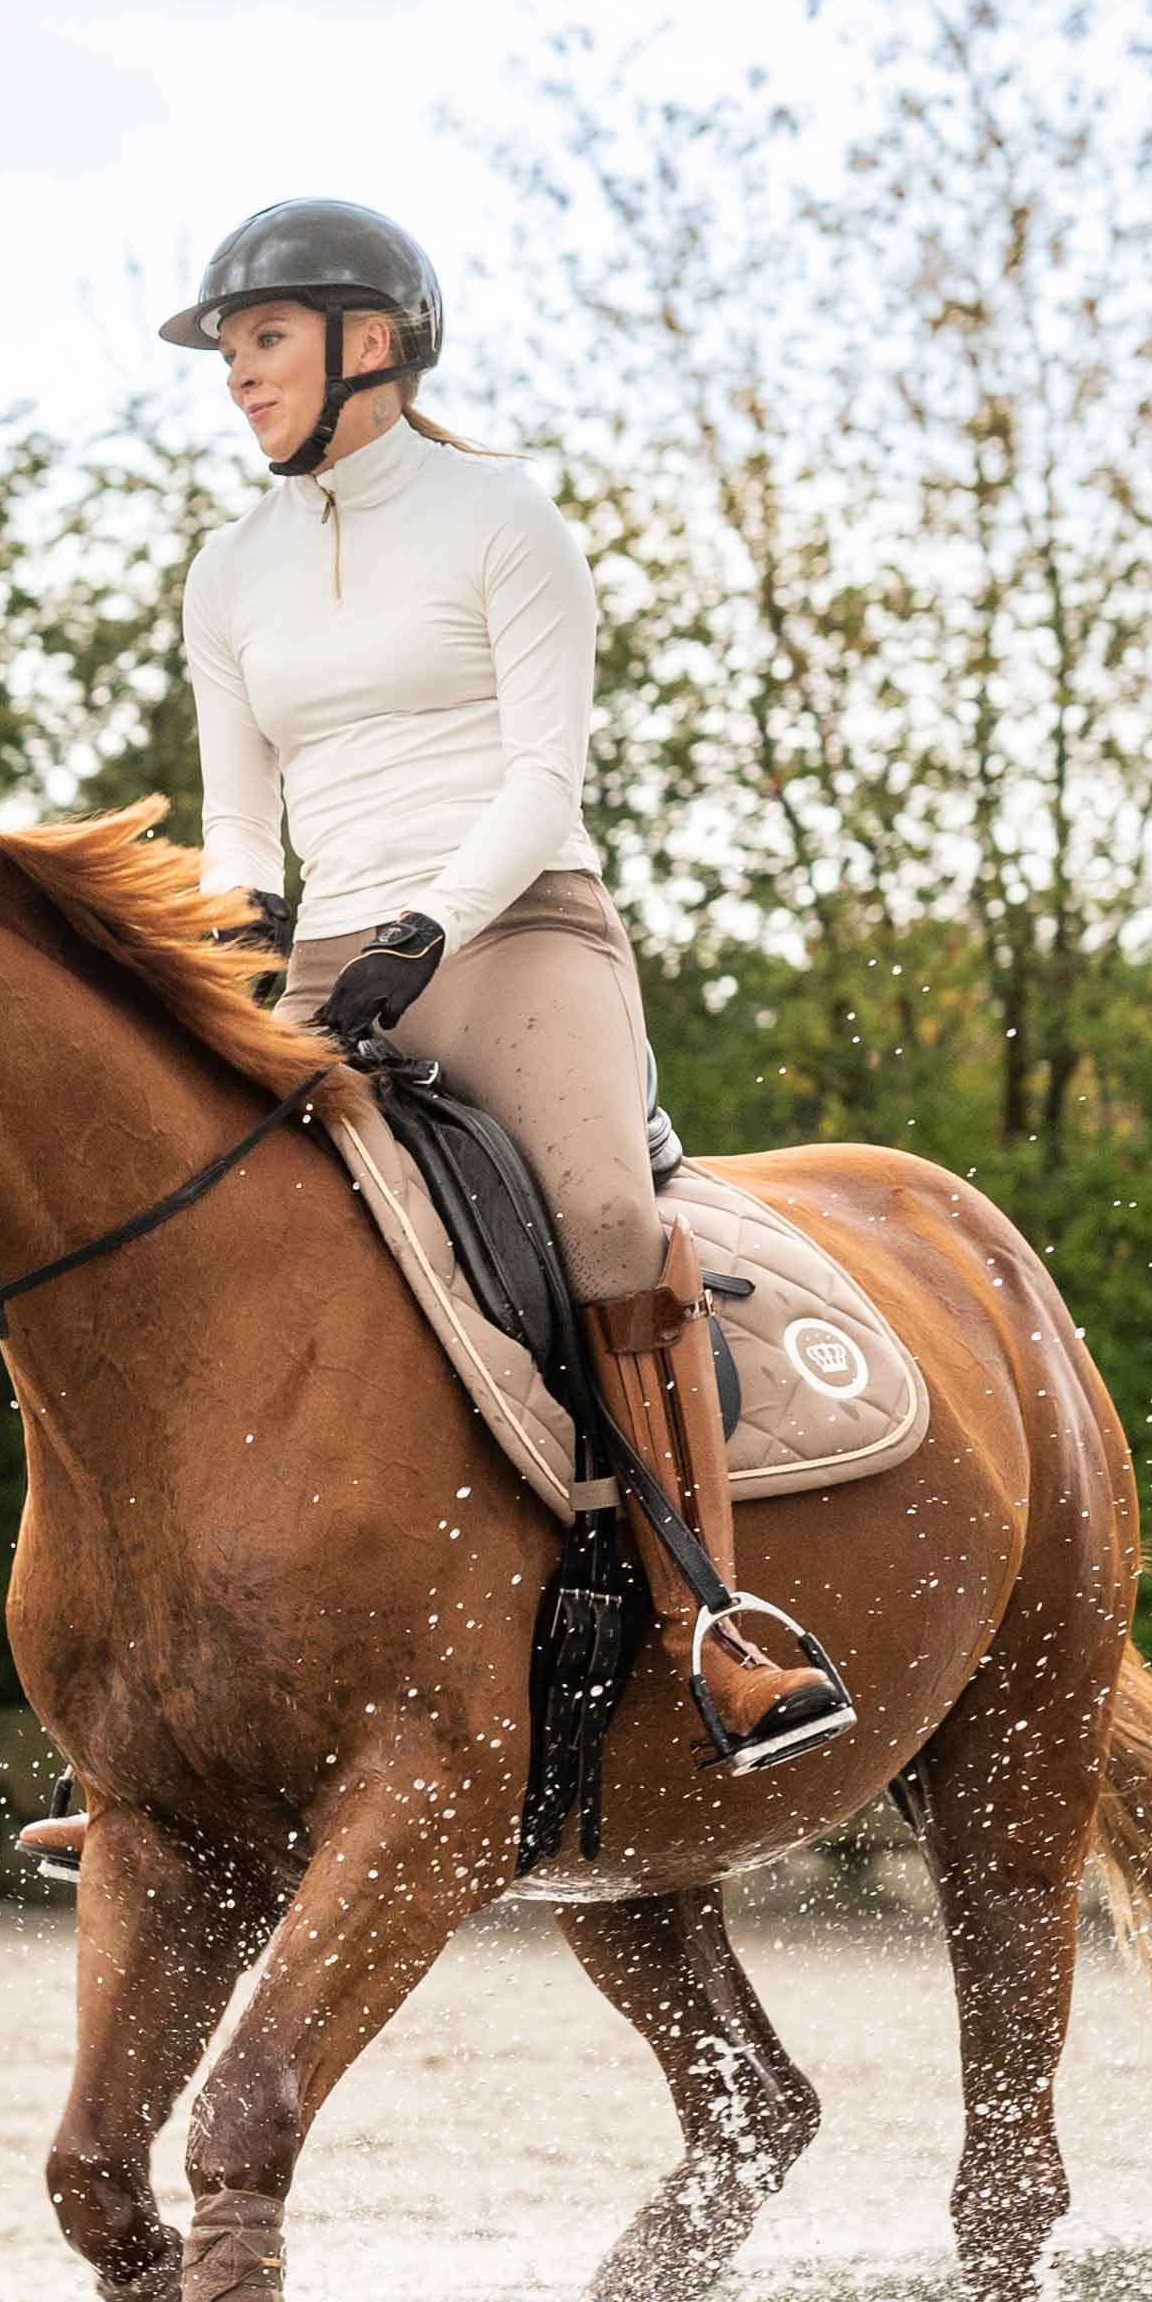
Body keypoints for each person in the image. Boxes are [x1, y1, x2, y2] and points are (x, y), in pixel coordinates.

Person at [175, 193, 849, 1776]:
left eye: (262, 339)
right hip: (329, 960)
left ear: (370, 343)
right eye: (227, 348)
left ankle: (719, 1628)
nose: (237, 375)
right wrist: (247, 941)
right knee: (189, 1237)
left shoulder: (501, 519)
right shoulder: (229, 568)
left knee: (611, 1224)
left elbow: (545, 774)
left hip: (516, 926)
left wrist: (426, 926)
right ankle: (163, 1686)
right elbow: (231, 813)